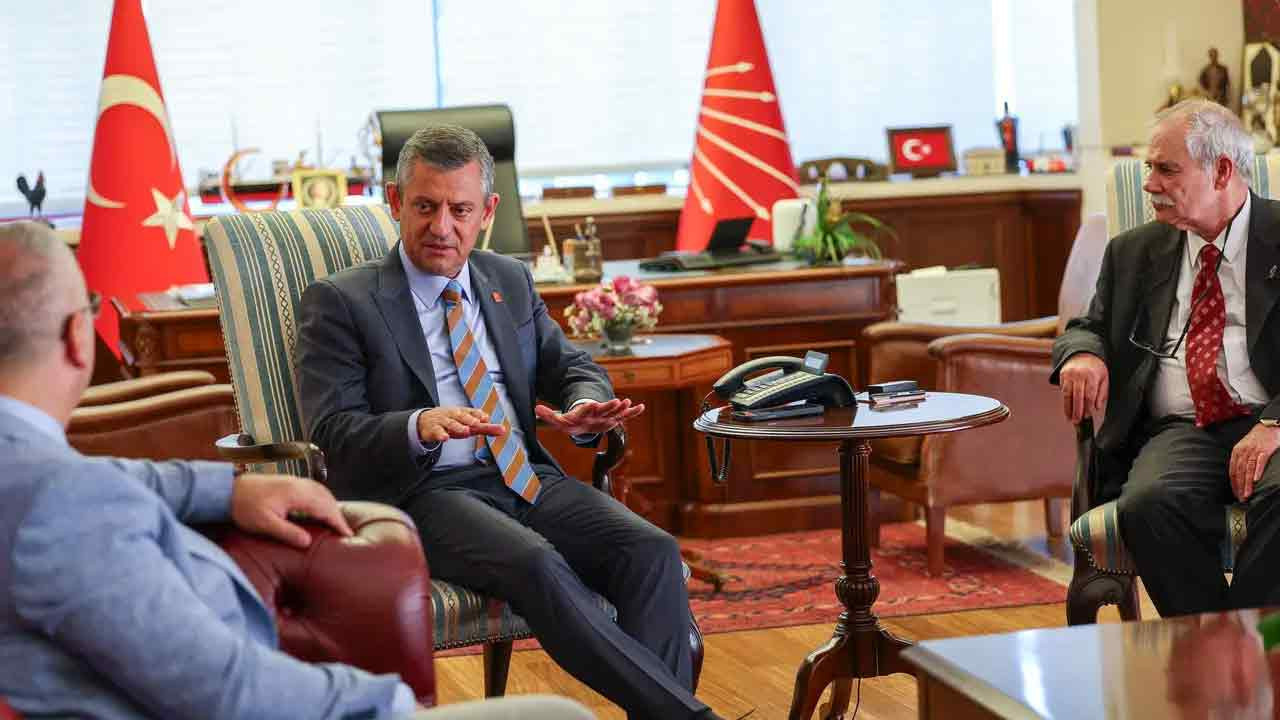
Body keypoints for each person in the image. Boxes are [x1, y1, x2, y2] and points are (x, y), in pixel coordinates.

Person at [0, 220, 595, 720]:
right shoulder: (63, 508)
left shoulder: (33, 473)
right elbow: (229, 690)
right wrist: (394, 704)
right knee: (557, 715)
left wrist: (229, 490)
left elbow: (99, 485)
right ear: (78, 337)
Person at [295, 126, 732, 720]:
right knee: (536, 562)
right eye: (424, 207)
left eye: (459, 210)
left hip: (524, 478)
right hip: (425, 492)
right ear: (396, 202)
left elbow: (571, 367)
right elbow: (331, 432)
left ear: (488, 212)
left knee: (651, 550)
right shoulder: (342, 301)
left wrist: (583, 407)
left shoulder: (507, 279)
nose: (442, 226)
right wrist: (419, 425)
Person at [1052, 99, 1280, 617]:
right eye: (1148, 168)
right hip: (1183, 428)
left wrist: (1274, 424)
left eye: (1167, 169)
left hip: (1272, 422)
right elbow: (1087, 327)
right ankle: (1230, 643)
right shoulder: (1133, 251)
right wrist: (1082, 354)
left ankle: (1234, 646)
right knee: (1147, 506)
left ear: (1222, 171)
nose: (1149, 184)